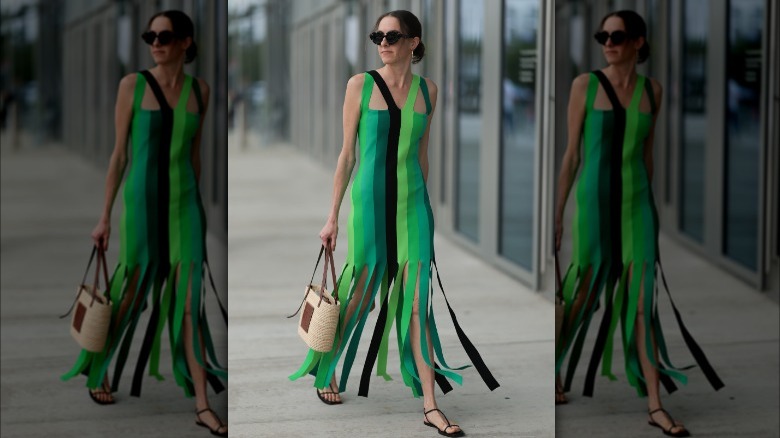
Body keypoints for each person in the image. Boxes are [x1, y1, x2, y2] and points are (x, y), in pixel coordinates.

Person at [289, 10, 499, 438]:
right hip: (368, 206)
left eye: (392, 35)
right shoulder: (359, 85)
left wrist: (426, 204)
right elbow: (347, 155)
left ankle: (430, 405)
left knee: (417, 304)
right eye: (377, 35)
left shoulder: (429, 91)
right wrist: (332, 216)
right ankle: (327, 368)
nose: (382, 42)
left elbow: (421, 155)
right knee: (361, 299)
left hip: (413, 208)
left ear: (414, 43)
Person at [554, 10, 724, 437]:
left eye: (618, 35)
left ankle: (654, 404)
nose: (608, 42)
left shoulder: (654, 91)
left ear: (638, 42)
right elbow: (572, 156)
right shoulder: (584, 85)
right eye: (602, 35)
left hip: (637, 208)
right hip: (593, 207)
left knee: (641, 302)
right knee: (582, 296)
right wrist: (557, 216)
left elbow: (646, 156)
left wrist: (650, 209)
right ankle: (555, 366)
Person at [60, 10, 227, 437]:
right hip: (141, 207)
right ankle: (99, 369)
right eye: (149, 34)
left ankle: (203, 405)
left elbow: (194, 156)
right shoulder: (131, 86)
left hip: (185, 208)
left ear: (186, 42)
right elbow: (119, 157)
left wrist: (196, 206)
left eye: (165, 35)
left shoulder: (200, 91)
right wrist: (104, 218)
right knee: (132, 296)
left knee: (190, 303)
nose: (155, 42)